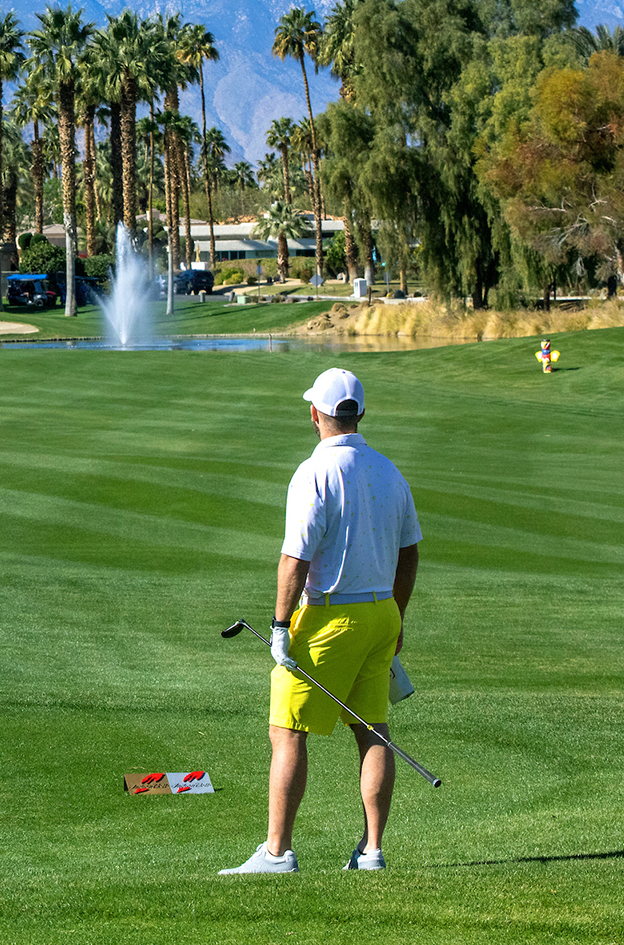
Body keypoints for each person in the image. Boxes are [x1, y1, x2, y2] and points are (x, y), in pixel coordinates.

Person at [221, 368, 421, 874]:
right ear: (360, 413)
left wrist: (279, 626)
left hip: (332, 617)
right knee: (372, 729)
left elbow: (296, 558)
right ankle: (371, 851)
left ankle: (277, 852)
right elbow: (409, 554)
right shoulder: (388, 470)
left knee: (287, 730)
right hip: (381, 613)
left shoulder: (314, 472)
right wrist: (397, 616)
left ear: (316, 414)